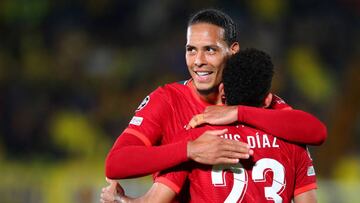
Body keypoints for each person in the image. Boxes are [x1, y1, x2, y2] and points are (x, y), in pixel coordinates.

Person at [105, 8, 326, 187]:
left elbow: (316, 132)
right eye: (191, 50)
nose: (198, 60)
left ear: (233, 51)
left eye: (210, 50)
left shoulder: (248, 97)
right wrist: (190, 150)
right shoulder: (167, 99)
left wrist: (238, 112)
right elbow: (116, 163)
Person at [101, 48, 318, 203]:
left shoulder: (198, 140)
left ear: (223, 92)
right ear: (269, 99)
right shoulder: (294, 141)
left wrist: (120, 199)